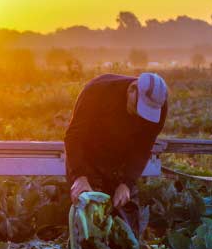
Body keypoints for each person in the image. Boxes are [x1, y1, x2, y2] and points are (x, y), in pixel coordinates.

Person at [65, 72, 168, 208]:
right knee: (86, 210)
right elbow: (74, 136)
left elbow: (143, 148)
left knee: (125, 214)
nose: (140, 115)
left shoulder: (158, 104)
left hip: (121, 163)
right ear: (132, 89)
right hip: (88, 158)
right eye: (139, 108)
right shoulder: (97, 90)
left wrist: (127, 183)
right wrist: (79, 176)